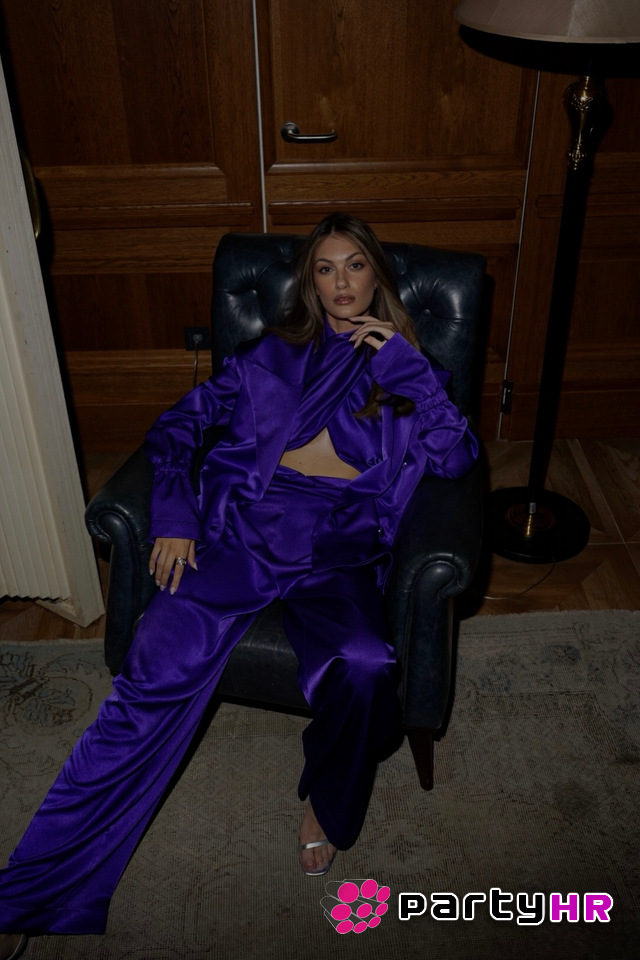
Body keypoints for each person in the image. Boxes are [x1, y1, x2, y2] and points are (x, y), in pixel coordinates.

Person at [0, 213, 478, 957]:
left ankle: (329, 801)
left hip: (339, 546)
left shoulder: (410, 372)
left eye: (355, 265)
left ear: (377, 276)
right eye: (326, 268)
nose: (342, 282)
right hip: (248, 529)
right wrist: (175, 514)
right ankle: (38, 886)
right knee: (152, 672)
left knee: (365, 665)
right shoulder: (272, 356)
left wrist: (406, 368)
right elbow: (178, 427)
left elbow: (455, 459)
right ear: (310, 282)